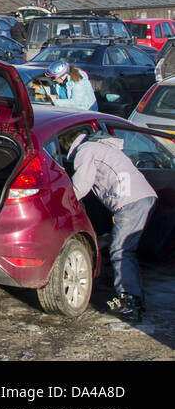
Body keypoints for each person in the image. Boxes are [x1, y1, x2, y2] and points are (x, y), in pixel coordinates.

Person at [65, 128, 156, 320]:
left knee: (121, 250)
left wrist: (64, 203)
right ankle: (135, 298)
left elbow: (82, 184)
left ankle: (130, 301)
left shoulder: (86, 150)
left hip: (130, 201)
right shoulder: (103, 149)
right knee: (124, 248)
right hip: (144, 197)